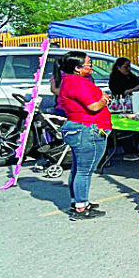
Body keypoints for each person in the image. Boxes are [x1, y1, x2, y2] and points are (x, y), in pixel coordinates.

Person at [55, 51, 111, 220]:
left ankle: (78, 201)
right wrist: (104, 99)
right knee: (84, 171)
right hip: (86, 129)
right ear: (77, 68)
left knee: (78, 168)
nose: (91, 66)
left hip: (80, 128)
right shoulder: (77, 83)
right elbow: (93, 106)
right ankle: (81, 207)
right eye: (88, 63)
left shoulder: (71, 81)